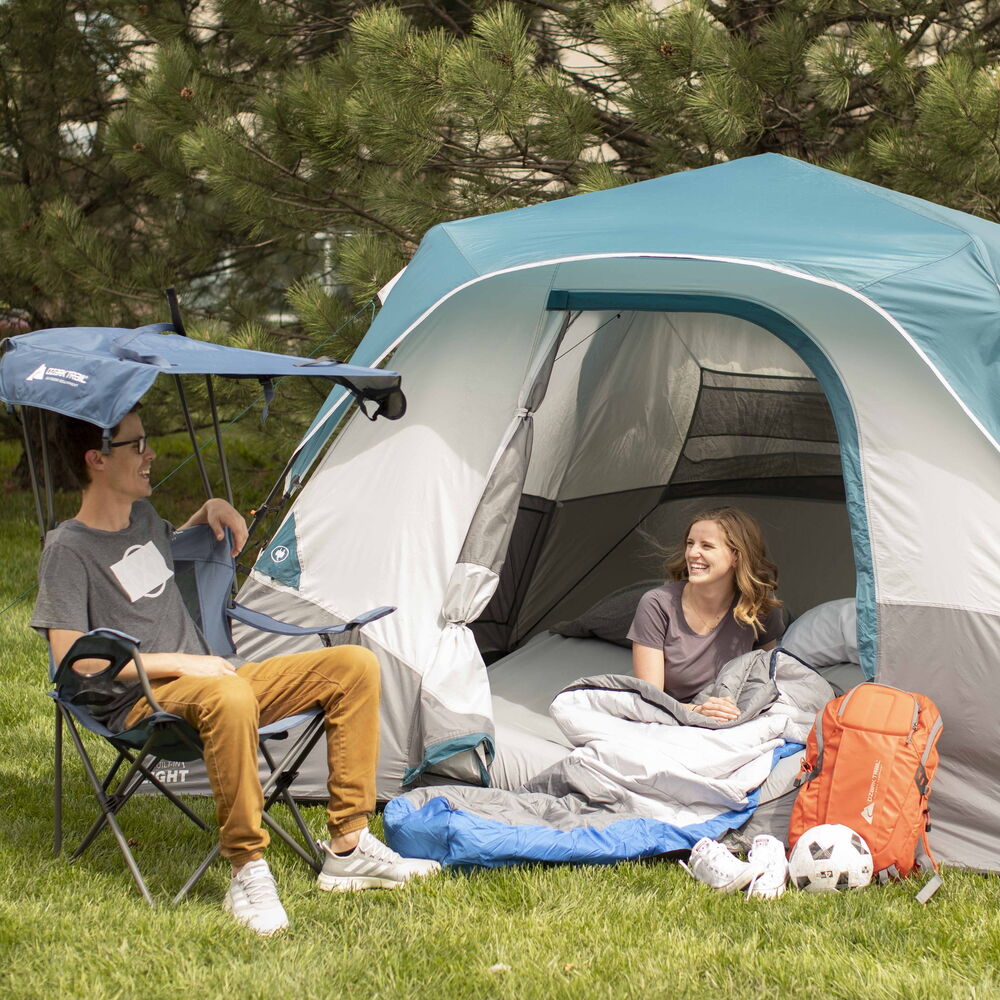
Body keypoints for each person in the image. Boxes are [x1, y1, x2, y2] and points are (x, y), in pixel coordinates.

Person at [30, 405, 439, 936]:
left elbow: (159, 557)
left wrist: (212, 509)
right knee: (230, 697)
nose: (151, 454)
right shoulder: (67, 549)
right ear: (97, 460)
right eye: (137, 445)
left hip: (214, 680)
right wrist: (181, 662)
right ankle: (247, 868)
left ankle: (349, 844)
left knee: (353, 665)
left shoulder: (146, 521)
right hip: (142, 703)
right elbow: (71, 659)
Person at [628, 507, 784, 721]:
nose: (692, 553)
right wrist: (699, 711)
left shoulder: (759, 606)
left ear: (736, 556)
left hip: (732, 717)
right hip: (670, 720)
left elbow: (764, 676)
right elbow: (649, 701)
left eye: (707, 546)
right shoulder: (657, 605)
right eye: (690, 543)